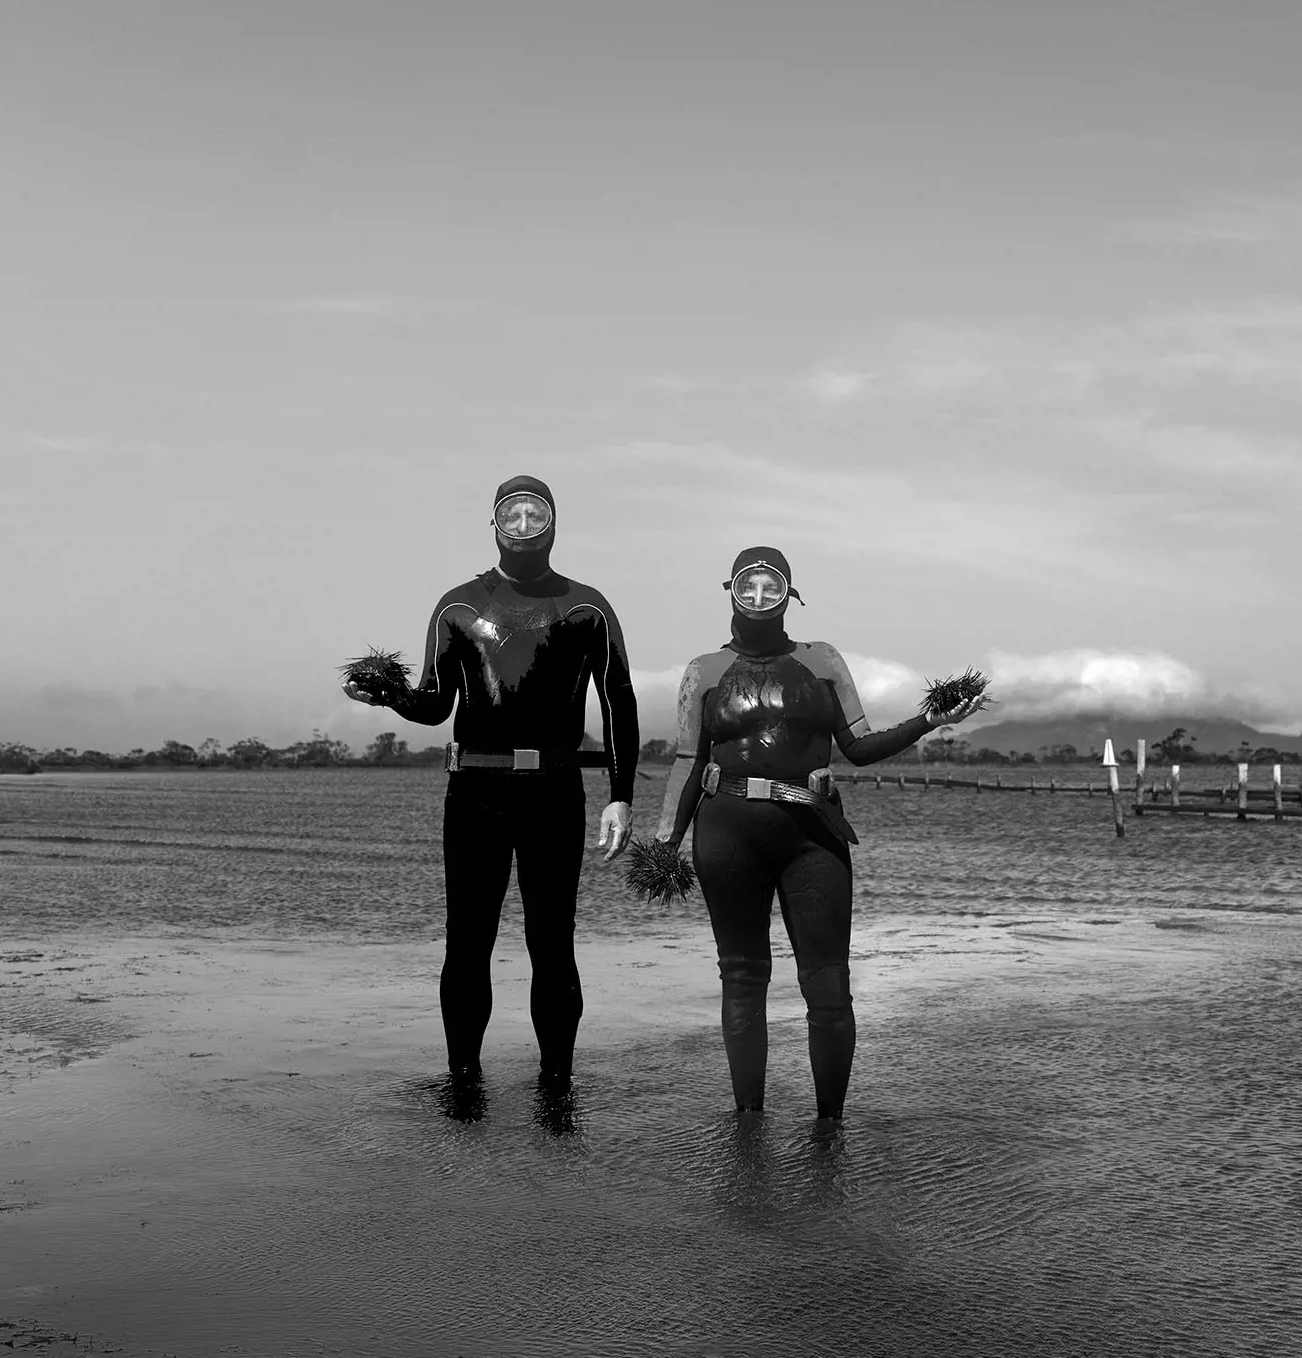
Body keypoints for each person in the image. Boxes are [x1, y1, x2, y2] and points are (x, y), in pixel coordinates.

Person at [654, 546, 981, 1119]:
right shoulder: (702, 670)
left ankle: (830, 1129)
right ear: (730, 589)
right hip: (726, 832)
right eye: (748, 586)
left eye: (771, 586)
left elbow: (858, 746)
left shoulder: (822, 660)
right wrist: (664, 842)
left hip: (813, 834)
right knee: (743, 978)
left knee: (829, 990)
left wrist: (930, 720)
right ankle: (747, 1124)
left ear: (789, 594)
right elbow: (687, 760)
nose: (758, 597)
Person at [346, 476, 638, 1098]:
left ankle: (557, 1088)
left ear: (555, 525)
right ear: (495, 524)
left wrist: (621, 794)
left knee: (552, 943)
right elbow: (434, 704)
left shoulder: (587, 607)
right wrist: (389, 694)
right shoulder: (458, 606)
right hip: (475, 793)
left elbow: (619, 703)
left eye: (538, 513)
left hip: (555, 793)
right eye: (514, 512)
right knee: (468, 939)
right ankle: (462, 1082)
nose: (526, 522)